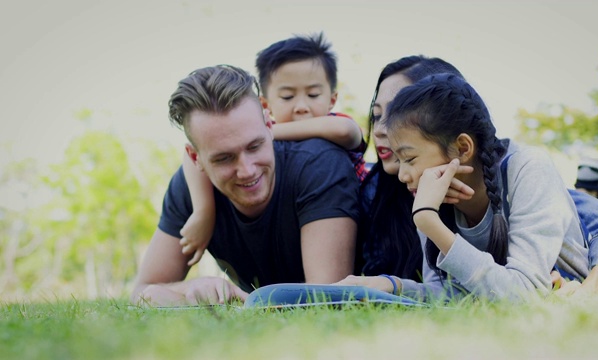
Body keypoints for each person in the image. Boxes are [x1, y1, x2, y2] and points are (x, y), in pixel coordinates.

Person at [343, 72, 598, 301]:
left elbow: (523, 294)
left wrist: (431, 224)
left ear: (462, 147)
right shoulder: (429, 198)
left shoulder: (528, 169)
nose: (403, 174)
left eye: (409, 158)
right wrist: (390, 285)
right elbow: (449, 294)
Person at [130, 65, 360, 306]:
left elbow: (325, 298)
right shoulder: (190, 189)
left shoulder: (318, 165)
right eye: (224, 158)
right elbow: (141, 293)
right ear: (195, 157)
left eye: (254, 146)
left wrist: (247, 301)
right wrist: (192, 289)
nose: (247, 170)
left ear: (270, 127)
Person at [178, 33, 366, 266]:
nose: (301, 107)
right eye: (287, 96)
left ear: (332, 99)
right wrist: (204, 212)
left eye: (313, 94)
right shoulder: (250, 134)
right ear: (266, 104)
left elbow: (345, 130)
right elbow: (195, 158)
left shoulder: (328, 129)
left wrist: (266, 132)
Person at [356, 55, 465, 282]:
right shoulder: (373, 192)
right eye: (376, 116)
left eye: (397, 114)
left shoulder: (497, 180)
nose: (379, 130)